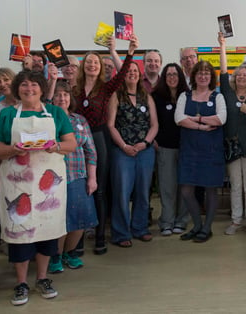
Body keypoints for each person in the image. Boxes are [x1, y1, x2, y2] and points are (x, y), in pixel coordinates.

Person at [0, 70, 76, 306]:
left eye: (34, 84)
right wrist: (12, 150)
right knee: (20, 234)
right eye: (24, 85)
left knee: (46, 230)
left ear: (42, 87)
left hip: (49, 188)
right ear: (17, 88)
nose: (29, 89)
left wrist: (55, 145)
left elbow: (71, 143)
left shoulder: (56, 113)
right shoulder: (7, 115)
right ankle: (21, 283)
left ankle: (43, 278)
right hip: (18, 185)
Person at [73, 34, 138, 255]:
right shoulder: (75, 89)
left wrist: (126, 52)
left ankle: (100, 237)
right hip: (77, 141)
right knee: (80, 190)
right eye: (88, 61)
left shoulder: (106, 88)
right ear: (83, 66)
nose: (92, 65)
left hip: (100, 138)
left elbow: (122, 74)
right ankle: (77, 241)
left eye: (96, 62)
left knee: (99, 189)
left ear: (100, 67)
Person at [48, 81, 98, 274]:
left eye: (66, 95)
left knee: (80, 219)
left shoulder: (80, 120)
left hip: (78, 175)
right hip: (54, 179)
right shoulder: (47, 119)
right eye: (58, 95)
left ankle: (70, 253)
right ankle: (55, 256)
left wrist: (92, 178)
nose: (62, 98)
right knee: (60, 221)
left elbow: (91, 151)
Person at [174, 60, 227, 243]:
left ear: (211, 77)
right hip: (189, 151)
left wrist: (196, 118)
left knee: (210, 190)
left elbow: (221, 119)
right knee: (187, 191)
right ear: (193, 76)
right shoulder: (184, 95)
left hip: (211, 151)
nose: (203, 76)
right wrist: (202, 126)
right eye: (200, 73)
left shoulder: (217, 97)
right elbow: (179, 118)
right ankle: (196, 225)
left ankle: (207, 228)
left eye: (207, 73)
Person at [108, 61, 158, 248]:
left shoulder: (147, 97)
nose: (132, 73)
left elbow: (154, 125)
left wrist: (145, 143)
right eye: (128, 71)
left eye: (135, 71)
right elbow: (111, 125)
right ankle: (121, 233)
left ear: (140, 74)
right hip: (122, 151)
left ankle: (140, 228)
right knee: (122, 192)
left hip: (145, 151)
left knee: (143, 192)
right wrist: (123, 145)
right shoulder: (116, 96)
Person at [218, 32, 246, 238]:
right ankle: (236, 220)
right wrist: (222, 45)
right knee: (235, 185)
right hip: (232, 146)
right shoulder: (226, 92)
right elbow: (223, 71)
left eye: (245, 74)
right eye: (239, 74)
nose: (241, 76)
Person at [152, 63, 190, 236]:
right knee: (167, 186)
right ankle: (166, 221)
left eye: (175, 74)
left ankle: (181, 220)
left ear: (180, 76)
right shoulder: (156, 96)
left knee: (184, 186)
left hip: (186, 148)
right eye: (168, 75)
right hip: (165, 148)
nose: (172, 77)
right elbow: (150, 121)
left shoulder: (189, 96)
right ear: (164, 77)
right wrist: (153, 140)